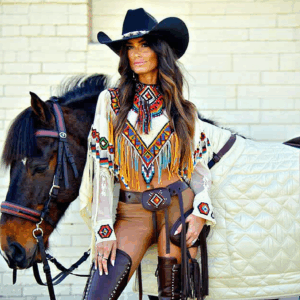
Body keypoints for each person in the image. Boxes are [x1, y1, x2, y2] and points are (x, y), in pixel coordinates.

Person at [79, 8, 216, 300]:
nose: (136, 53)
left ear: (159, 51)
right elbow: (102, 168)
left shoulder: (183, 109)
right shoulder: (111, 102)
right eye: (130, 48)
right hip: (131, 214)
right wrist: (103, 226)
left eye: (144, 45)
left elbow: (199, 169)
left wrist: (202, 212)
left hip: (178, 207)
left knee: (173, 296)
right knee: (98, 295)